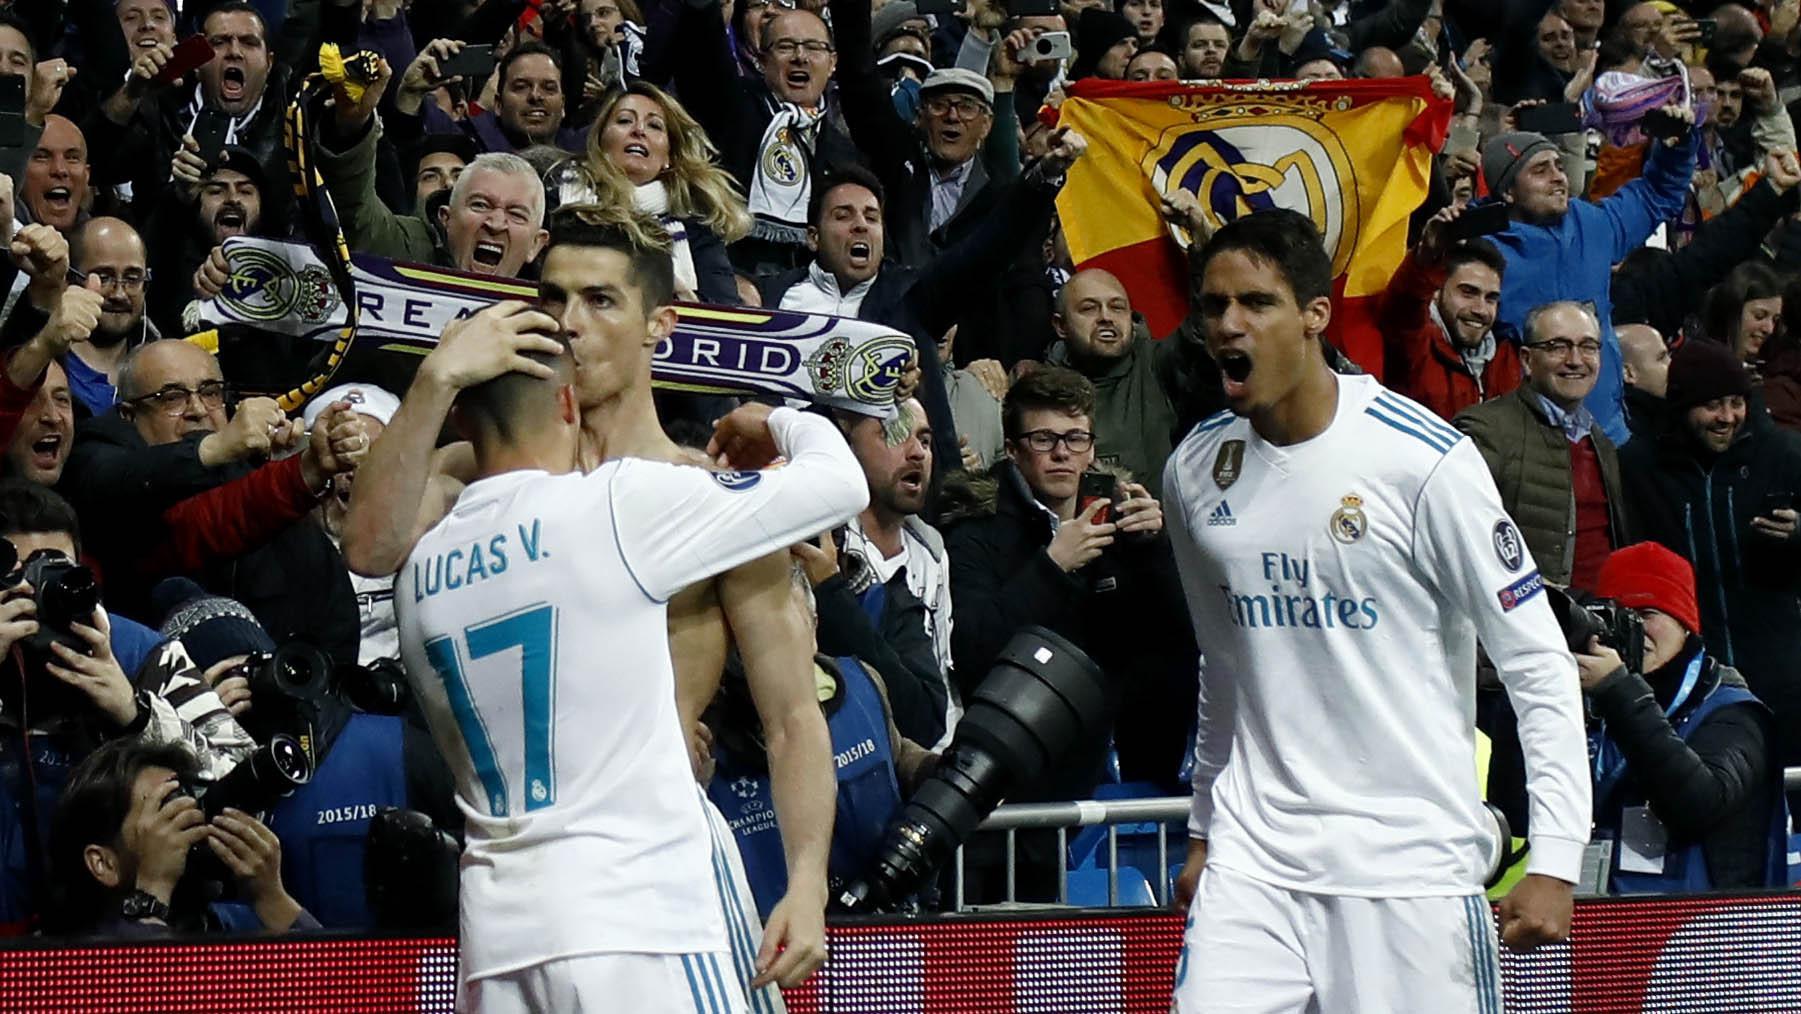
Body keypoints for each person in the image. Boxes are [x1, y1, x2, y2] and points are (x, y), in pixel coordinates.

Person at [348, 206, 848, 1009]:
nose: (569, 323)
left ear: (660, 326)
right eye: (553, 299)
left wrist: (806, 880)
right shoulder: (471, 468)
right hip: (532, 879)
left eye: (600, 300)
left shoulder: (703, 494)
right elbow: (368, 547)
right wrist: (436, 381)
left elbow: (791, 714)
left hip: (652, 866)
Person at [1165, 210, 1589, 1013]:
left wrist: (1556, 857)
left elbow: (1535, 659)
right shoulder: (1193, 468)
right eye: (1213, 306)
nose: (1227, 324)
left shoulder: (1421, 460)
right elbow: (1222, 661)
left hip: (1408, 869)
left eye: (1255, 302)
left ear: (1314, 316)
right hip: (1255, 864)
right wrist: (1204, 827)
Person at [1618, 340, 1801, 763]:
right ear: (1682, 407)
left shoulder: (1784, 455)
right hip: (1693, 678)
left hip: (1784, 671)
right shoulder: (1641, 467)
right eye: (1712, 405)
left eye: (1736, 403)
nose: (1727, 417)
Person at [1576, 542, 1786, 892]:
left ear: (1686, 625)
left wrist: (1619, 691)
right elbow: (1518, 809)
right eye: (1619, 615)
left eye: (1647, 614)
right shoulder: (1587, 704)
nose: (1632, 629)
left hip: (1702, 920)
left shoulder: (1735, 713)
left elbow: (1697, 807)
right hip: (1594, 914)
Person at [1480, 107, 1697, 444]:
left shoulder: (1593, 224)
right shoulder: (1483, 254)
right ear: (1507, 192)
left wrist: (1677, 146)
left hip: (1607, 434)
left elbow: (1657, 194)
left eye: (1559, 166)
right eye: (1540, 171)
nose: (1558, 178)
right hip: (1529, 442)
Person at [48, 738, 318, 936]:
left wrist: (271, 898)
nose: (191, 816)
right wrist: (152, 892)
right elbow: (141, 987)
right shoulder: (73, 962)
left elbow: (331, 982)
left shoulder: (230, 924)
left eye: (189, 798)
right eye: (166, 807)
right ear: (104, 863)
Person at [1455, 301, 1631, 592]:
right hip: (1526, 611)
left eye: (1588, 347)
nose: (1575, 360)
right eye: (1557, 347)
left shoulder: (1602, 442)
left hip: (1601, 612)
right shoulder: (1485, 430)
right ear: (1526, 360)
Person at [570, 82, 749, 303]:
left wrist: (683, 297)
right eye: (624, 120)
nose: (639, 130)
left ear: (668, 157)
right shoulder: (558, 199)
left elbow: (723, 312)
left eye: (654, 125)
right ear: (599, 142)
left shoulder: (698, 230)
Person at [1044, 268, 1181, 497]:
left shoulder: (1161, 365)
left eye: (1117, 307)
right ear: (1060, 326)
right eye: (1089, 308)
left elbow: (1199, 336)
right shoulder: (1037, 388)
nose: (1106, 317)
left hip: (1154, 518)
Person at [1379, 213, 1519, 421]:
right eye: (1468, 293)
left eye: (1490, 298)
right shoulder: (1416, 345)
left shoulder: (1506, 360)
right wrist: (1425, 259)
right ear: (1436, 290)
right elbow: (1405, 304)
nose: (1481, 309)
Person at [1618, 323, 1671, 441]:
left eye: (1669, 355)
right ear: (1628, 373)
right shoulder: (1630, 438)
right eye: (1661, 358)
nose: (1671, 364)